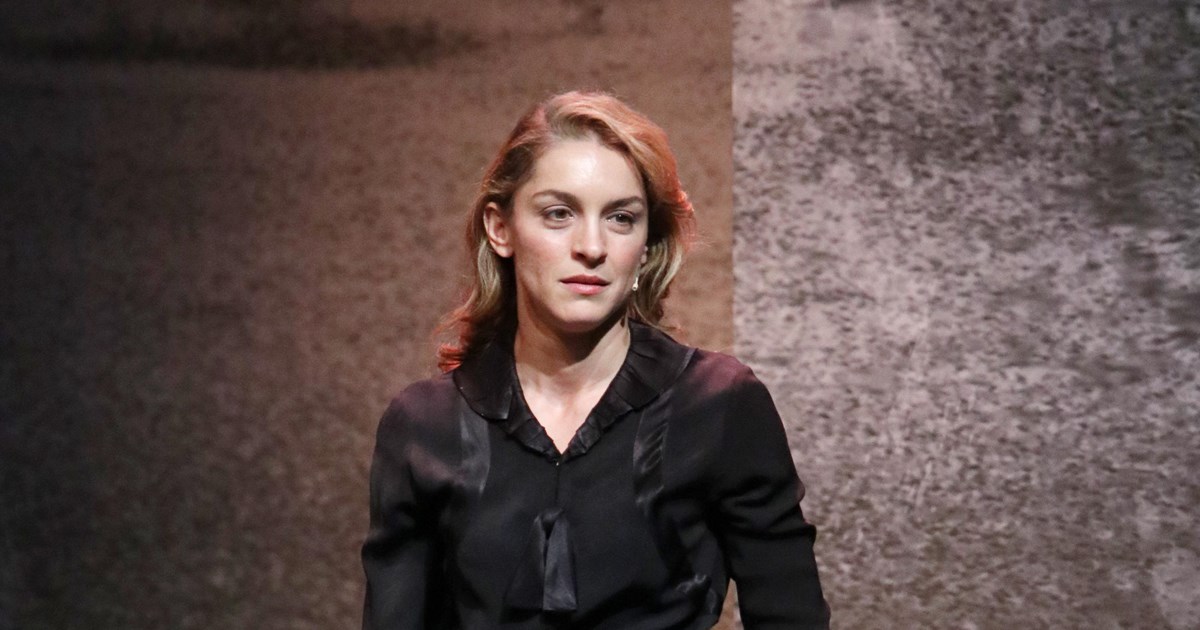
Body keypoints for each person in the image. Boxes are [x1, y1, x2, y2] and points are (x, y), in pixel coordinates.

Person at [361, 90, 829, 629]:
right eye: (558, 214)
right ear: (500, 228)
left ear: (647, 246)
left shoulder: (719, 406)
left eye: (621, 218)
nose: (591, 246)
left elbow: (791, 617)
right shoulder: (425, 426)